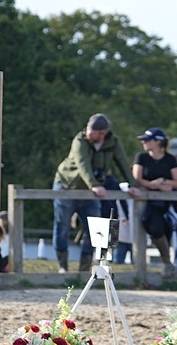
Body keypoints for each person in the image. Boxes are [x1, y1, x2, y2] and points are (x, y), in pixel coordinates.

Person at [52, 113, 139, 274]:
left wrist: (133, 185)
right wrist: (94, 185)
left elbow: (122, 162)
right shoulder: (80, 141)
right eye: (88, 129)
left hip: (92, 191)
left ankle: (84, 270)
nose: (88, 133)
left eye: (93, 131)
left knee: (94, 229)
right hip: (67, 186)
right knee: (61, 226)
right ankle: (62, 267)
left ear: (103, 133)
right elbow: (83, 164)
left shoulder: (113, 143)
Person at [132, 127, 177, 278]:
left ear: (158, 142)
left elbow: (175, 182)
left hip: (167, 202)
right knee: (152, 225)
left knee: (165, 228)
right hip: (150, 201)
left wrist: (163, 182)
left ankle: (168, 264)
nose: (144, 142)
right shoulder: (142, 157)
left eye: (147, 140)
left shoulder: (170, 159)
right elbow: (137, 177)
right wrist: (151, 185)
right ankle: (166, 260)